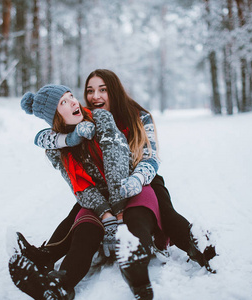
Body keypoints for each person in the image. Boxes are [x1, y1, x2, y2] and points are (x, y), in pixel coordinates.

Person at [29, 69, 217, 271]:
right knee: (77, 215)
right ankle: (45, 255)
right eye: (90, 90)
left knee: (165, 210)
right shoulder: (84, 118)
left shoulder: (139, 117)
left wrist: (137, 178)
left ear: (115, 91)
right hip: (103, 185)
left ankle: (198, 245)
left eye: (103, 90)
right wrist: (69, 139)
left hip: (141, 177)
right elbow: (46, 134)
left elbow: (150, 155)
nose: (95, 96)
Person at [10, 84, 163, 300]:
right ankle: (59, 286)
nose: (74, 101)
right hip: (100, 198)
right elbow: (79, 186)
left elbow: (116, 164)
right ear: (55, 115)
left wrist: (117, 213)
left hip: (129, 186)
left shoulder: (100, 119)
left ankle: (138, 277)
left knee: (136, 223)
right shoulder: (57, 148)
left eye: (71, 96)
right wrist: (103, 213)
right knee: (84, 233)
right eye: (63, 102)